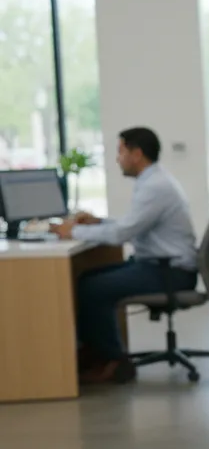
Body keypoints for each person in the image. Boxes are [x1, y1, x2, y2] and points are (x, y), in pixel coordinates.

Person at [52, 127, 198, 385]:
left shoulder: (155, 186)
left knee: (93, 288)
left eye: (120, 151)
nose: (117, 159)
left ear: (137, 154)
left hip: (168, 273)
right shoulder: (153, 181)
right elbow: (133, 224)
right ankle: (97, 352)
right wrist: (98, 222)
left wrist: (73, 230)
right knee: (86, 277)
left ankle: (114, 361)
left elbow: (123, 234)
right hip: (161, 266)